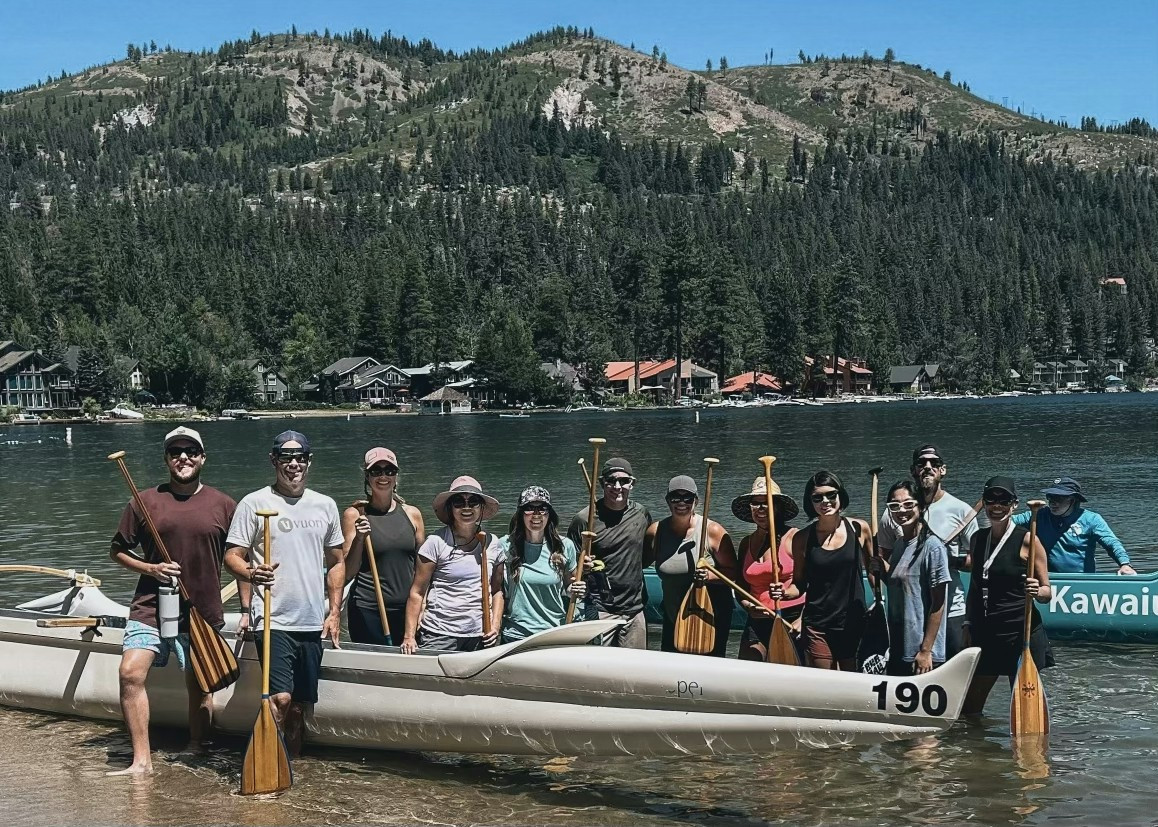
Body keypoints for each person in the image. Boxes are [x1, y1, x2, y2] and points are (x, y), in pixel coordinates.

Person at [107, 427, 236, 775]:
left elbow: (237, 559)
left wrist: (251, 602)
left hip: (201, 611)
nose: (184, 457)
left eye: (191, 451)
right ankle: (142, 762)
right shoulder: (143, 501)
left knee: (200, 687)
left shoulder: (224, 505)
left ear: (202, 458)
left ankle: (197, 748)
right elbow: (117, 551)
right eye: (176, 451)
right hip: (150, 605)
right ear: (166, 458)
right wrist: (151, 566)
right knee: (130, 673)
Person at [224, 430, 345, 758]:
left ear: (309, 461)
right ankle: (259, 765)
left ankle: (289, 769)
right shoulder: (255, 503)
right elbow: (233, 555)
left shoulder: (325, 506)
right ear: (273, 460)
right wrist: (251, 573)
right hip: (273, 618)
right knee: (280, 700)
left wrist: (334, 613)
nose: (293, 464)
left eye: (300, 458)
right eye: (286, 457)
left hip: (311, 620)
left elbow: (336, 563)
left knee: (300, 708)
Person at [962, 476, 1054, 714]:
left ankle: (1028, 752)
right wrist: (968, 623)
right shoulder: (978, 539)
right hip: (988, 631)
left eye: (1004, 500)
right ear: (984, 503)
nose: (997, 505)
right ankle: (976, 749)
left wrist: (1037, 591)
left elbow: (1047, 592)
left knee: (1025, 710)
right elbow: (974, 587)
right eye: (991, 499)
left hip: (1021, 632)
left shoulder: (1028, 540)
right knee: (971, 707)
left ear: (1014, 505)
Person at [877, 444, 977, 660]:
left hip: (950, 611)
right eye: (921, 463)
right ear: (913, 470)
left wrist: (947, 560)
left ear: (943, 470)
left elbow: (976, 562)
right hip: (908, 612)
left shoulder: (961, 511)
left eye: (935, 463)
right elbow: (884, 560)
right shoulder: (894, 512)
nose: (928, 467)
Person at [771, 471, 873, 670]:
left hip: (852, 621)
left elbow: (873, 572)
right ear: (811, 502)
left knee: (851, 679)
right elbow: (799, 584)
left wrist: (880, 602)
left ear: (840, 496)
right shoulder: (801, 538)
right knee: (826, 681)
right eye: (817, 497)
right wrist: (784, 592)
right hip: (817, 623)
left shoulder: (860, 529)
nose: (825, 501)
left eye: (831, 495)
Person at [400, 476, 506, 653]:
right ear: (450, 508)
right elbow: (417, 592)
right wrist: (409, 637)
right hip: (439, 633)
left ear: (481, 508)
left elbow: (497, 591)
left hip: (480, 635)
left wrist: (495, 625)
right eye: (459, 502)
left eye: (473, 502)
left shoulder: (492, 543)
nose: (466, 508)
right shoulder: (435, 542)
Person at [645, 475, 738, 656]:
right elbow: (637, 562)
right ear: (667, 501)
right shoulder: (656, 531)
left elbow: (733, 573)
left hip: (709, 617)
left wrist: (710, 576)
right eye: (675, 497)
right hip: (673, 616)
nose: (681, 503)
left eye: (687, 497)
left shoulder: (713, 531)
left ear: (696, 500)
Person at [342, 447, 426, 644]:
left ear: (396, 476)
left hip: (407, 608)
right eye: (376, 471)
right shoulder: (355, 515)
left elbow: (423, 567)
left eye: (389, 471)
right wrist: (359, 539)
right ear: (367, 476)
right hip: (368, 608)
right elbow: (347, 572)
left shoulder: (413, 514)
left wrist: (423, 603)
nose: (383, 476)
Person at [567, 458, 653, 649]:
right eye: (611, 481)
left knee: (634, 672)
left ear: (632, 483)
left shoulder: (641, 514)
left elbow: (645, 554)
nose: (617, 486)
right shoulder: (584, 519)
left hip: (634, 609)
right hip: (599, 609)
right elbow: (570, 565)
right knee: (596, 670)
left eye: (624, 481)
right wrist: (583, 566)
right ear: (601, 483)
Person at [878, 480, 951, 675]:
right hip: (898, 645)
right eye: (895, 506)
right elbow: (901, 587)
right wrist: (881, 571)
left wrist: (926, 651)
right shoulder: (900, 544)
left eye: (909, 504)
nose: (901, 510)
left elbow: (938, 603)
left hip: (920, 652)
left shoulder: (933, 547)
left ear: (921, 506)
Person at [730, 477, 805, 662]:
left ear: (778, 507)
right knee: (749, 667)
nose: (761, 509)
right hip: (757, 619)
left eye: (767, 503)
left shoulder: (794, 538)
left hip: (791, 617)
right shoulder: (746, 542)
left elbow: (813, 583)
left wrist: (802, 620)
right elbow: (740, 586)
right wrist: (748, 606)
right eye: (756, 504)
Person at [500, 486, 585, 643]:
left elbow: (568, 587)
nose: (536, 514)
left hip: (553, 632)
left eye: (542, 508)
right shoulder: (505, 545)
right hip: (516, 634)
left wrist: (575, 589)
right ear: (520, 513)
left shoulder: (565, 546)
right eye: (529, 508)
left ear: (549, 514)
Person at [1012, 477, 1135, 574]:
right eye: (1050, 497)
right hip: (1046, 581)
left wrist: (1124, 564)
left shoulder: (1091, 519)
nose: (1053, 502)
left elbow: (1112, 543)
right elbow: (1006, 522)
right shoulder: (1037, 515)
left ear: (1073, 500)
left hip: (1080, 584)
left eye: (1059, 498)